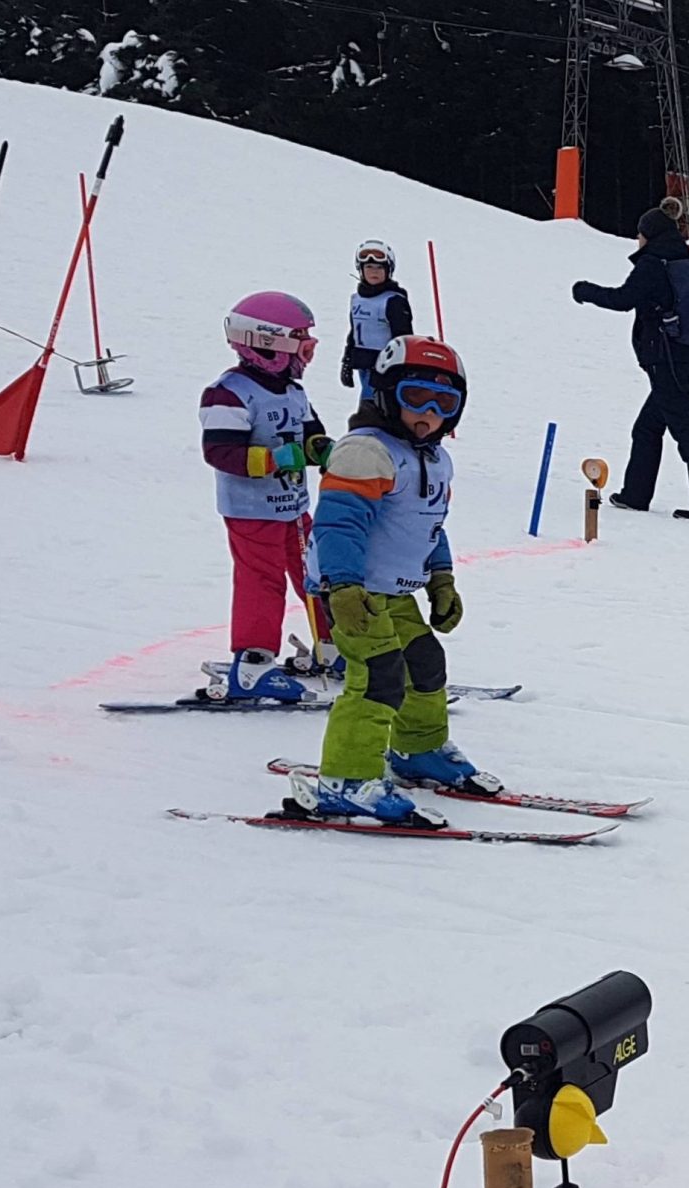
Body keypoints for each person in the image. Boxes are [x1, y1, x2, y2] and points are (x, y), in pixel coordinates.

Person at [294, 335, 492, 824]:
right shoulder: (365, 452)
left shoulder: (432, 458)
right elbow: (338, 524)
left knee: (424, 663)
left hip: (394, 590)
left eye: (444, 403)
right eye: (415, 398)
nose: (429, 413)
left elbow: (426, 526)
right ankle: (346, 780)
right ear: (384, 395)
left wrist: (441, 578)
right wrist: (341, 586)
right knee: (378, 677)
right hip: (355, 593)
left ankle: (416, 750)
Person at [203, 291, 334, 699]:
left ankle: (333, 648)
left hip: (294, 509)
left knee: (318, 572)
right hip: (251, 512)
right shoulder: (229, 393)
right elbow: (220, 452)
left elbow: (311, 432)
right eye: (302, 345)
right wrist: (274, 458)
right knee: (263, 581)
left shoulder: (292, 391)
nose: (306, 356)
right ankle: (253, 665)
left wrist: (323, 450)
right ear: (266, 343)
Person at [572, 198, 689, 522]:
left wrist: (584, 290)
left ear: (650, 233)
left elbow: (623, 299)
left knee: (687, 432)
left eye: (640, 234)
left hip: (668, 361)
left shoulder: (654, 264)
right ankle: (635, 495)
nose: (638, 240)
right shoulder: (684, 260)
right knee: (648, 427)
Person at [340, 240, 414, 407]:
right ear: (360, 270)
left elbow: (403, 337)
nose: (374, 272)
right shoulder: (356, 299)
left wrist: (401, 367)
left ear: (389, 270)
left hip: (385, 365)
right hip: (363, 363)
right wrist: (347, 360)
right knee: (369, 404)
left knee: (372, 406)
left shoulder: (393, 301)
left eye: (379, 268)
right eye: (369, 267)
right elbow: (355, 332)